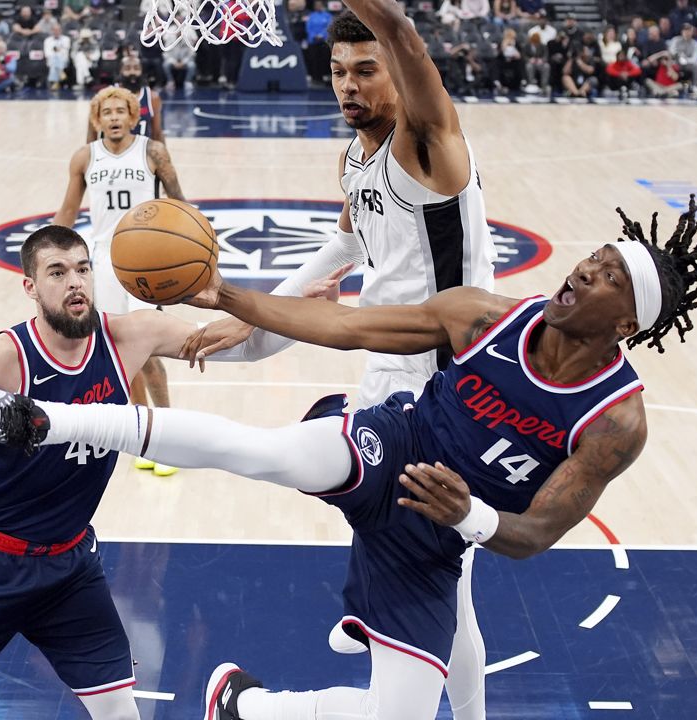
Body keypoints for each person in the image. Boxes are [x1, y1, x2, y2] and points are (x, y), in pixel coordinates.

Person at [0, 197, 697, 720]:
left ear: (627, 323)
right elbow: (347, 329)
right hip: (390, 444)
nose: (581, 272)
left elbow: (534, 535)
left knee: (397, 713)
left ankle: (246, 705)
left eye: (604, 277)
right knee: (260, 451)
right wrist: (231, 296)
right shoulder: (486, 317)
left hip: (439, 537)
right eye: (590, 259)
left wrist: (467, 513)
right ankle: (39, 418)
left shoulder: (617, 422)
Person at [0, 225, 339, 720]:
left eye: (82, 268)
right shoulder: (1, 359)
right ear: (29, 286)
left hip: (68, 569)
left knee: (120, 711)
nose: (75, 282)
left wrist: (298, 303)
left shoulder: (130, 336)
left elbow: (241, 344)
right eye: (57, 272)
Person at [183, 5, 499, 715]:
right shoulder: (355, 156)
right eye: (337, 73)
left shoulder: (430, 145)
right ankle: (377, 609)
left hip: (447, 392)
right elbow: (348, 245)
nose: (349, 86)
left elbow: (410, 45)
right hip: (385, 374)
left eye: (366, 71)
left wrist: (252, 308)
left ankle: (306, 662)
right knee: (451, 580)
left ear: (396, 70)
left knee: (443, 575)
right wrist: (260, 307)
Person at [54, 86, 186, 475]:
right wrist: (45, 258)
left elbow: (180, 204)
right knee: (121, 353)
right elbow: (67, 211)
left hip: (145, 259)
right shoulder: (84, 157)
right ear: (96, 120)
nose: (113, 118)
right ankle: (143, 434)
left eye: (120, 111)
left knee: (147, 350)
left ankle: (168, 435)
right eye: (105, 112)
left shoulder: (153, 152)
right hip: (102, 262)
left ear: (133, 117)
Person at [85, 54, 165, 143]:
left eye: (136, 68)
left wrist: (162, 153)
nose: (132, 72)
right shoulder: (105, 96)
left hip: (141, 152)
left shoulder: (152, 97)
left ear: (142, 71)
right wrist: (90, 154)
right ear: (120, 71)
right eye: (127, 68)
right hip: (112, 153)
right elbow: (92, 131)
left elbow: (157, 133)